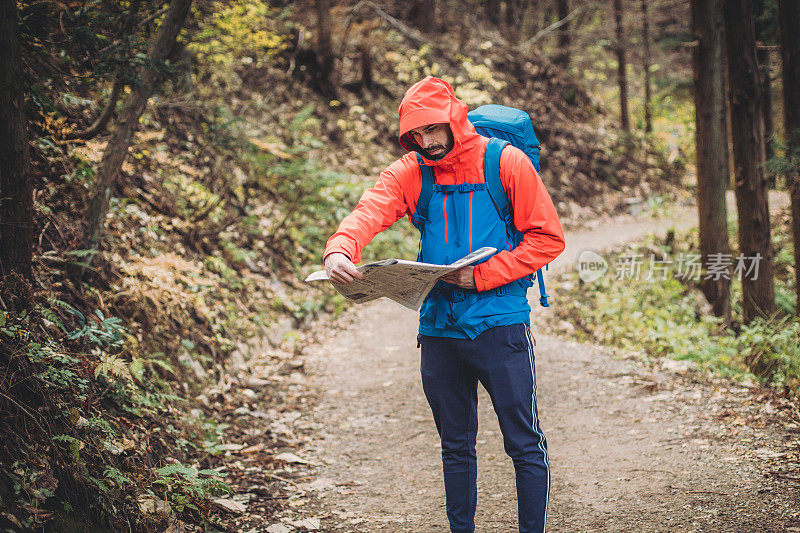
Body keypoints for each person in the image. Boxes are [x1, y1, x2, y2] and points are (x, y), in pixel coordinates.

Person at [323, 76, 565, 533]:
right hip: (438, 327)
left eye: (433, 129)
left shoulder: (506, 163)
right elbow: (372, 207)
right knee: (455, 445)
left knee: (523, 442)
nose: (427, 141)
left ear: (454, 117)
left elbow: (548, 238)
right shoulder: (412, 171)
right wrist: (340, 247)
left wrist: (480, 276)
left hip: (500, 324)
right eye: (417, 134)